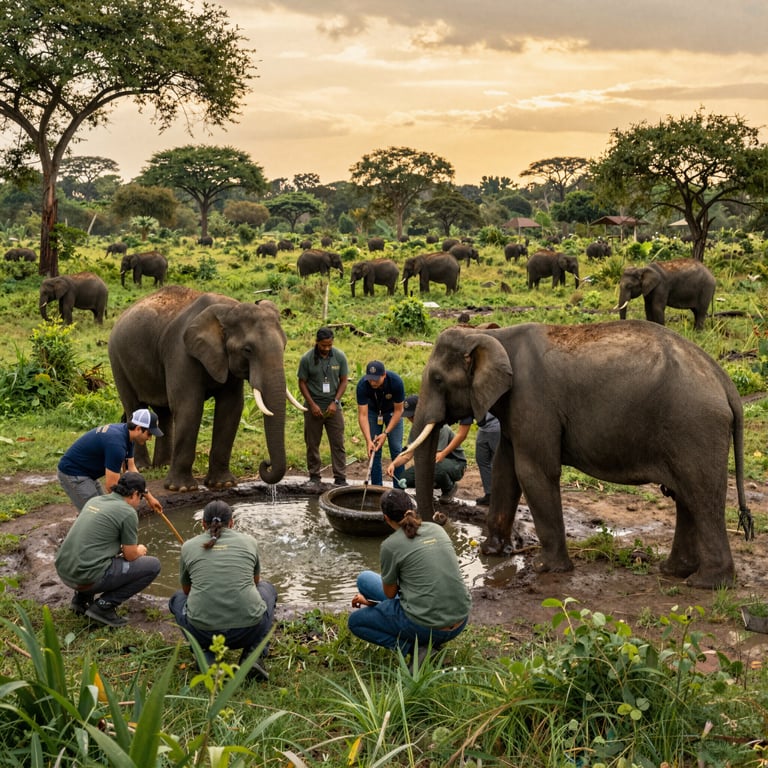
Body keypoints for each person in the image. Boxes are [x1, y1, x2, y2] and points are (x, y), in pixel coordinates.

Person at [348, 488, 471, 666]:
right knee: (364, 579)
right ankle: (425, 645)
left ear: (386, 518)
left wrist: (377, 605)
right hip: (460, 619)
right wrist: (373, 603)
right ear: (412, 508)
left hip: (428, 626)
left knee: (356, 622)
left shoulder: (390, 545)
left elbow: (390, 595)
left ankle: (417, 650)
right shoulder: (436, 529)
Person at [169, 500, 278, 680]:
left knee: (177, 599)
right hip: (248, 629)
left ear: (203, 523)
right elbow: (255, 582)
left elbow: (187, 590)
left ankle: (205, 655)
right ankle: (253, 655)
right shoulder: (249, 541)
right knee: (267, 590)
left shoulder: (188, 546)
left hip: (203, 631)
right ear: (232, 523)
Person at [54, 471, 161, 627]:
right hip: (86, 577)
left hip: (64, 571)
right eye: (141, 498)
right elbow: (131, 556)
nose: (140, 502)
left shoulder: (95, 501)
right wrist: (140, 549)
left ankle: (80, 600)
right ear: (135, 494)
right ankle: (103, 606)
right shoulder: (128, 512)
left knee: (97, 554)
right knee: (152, 565)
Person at [57, 408, 164, 513]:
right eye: (149, 434)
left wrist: (149, 498)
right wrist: (126, 509)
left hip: (88, 474)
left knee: (102, 510)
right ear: (138, 428)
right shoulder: (116, 445)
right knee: (96, 514)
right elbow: (112, 487)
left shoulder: (128, 436)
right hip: (73, 473)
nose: (150, 439)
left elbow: (131, 470)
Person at [385, 395, 470, 499]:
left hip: (454, 463)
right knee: (405, 478)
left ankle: (449, 488)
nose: (411, 419)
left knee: (434, 467)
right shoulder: (415, 429)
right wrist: (393, 464)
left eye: (413, 415)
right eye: (408, 416)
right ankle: (431, 484)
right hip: (429, 462)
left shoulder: (440, 426)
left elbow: (437, 456)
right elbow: (408, 454)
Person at [297, 326, 349, 487]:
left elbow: (344, 380)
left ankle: (340, 478)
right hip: (314, 407)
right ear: (317, 342)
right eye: (323, 345)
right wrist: (312, 405)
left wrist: (336, 402)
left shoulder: (339, 357)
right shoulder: (307, 359)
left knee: (338, 442)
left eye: (329, 345)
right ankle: (314, 476)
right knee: (312, 443)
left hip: (333, 407)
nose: (326, 348)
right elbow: (302, 382)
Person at [356, 360, 405, 487]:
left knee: (396, 448)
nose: (372, 383)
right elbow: (363, 415)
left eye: (376, 380)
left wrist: (385, 433)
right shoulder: (362, 385)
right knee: (374, 450)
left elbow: (399, 411)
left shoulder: (396, 382)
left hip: (392, 413)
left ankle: (399, 490)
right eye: (370, 379)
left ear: (384, 375)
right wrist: (368, 440)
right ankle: (377, 488)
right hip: (373, 413)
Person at [474, 412, 500, 505]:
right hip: (483, 429)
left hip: (497, 429)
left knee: (498, 463)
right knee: (481, 459)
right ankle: (489, 494)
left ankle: (500, 496)